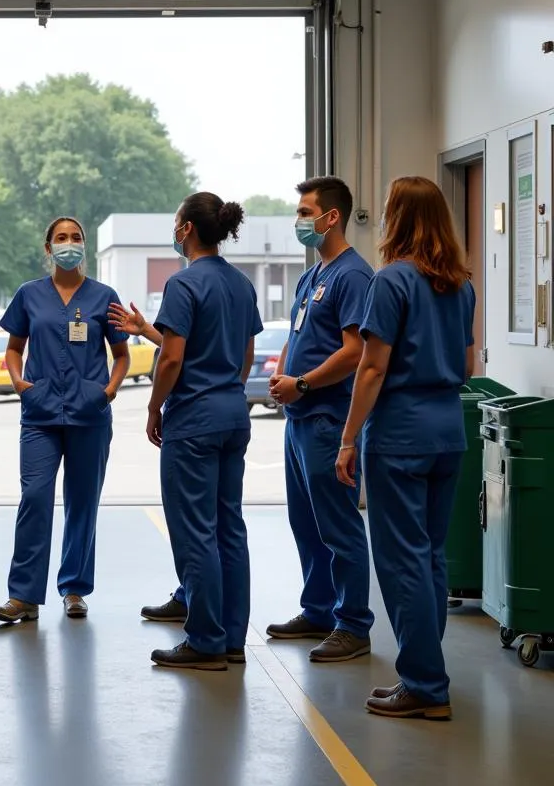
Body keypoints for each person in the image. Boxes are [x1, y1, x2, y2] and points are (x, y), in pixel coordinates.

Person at [338, 176, 475, 720]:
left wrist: (348, 438)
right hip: (448, 432)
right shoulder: (461, 285)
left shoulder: (391, 281)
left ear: (397, 217)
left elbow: (371, 368)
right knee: (431, 556)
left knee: (401, 563)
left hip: (399, 436)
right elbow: (466, 366)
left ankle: (423, 683)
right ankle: (426, 669)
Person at [125, 192, 261, 671]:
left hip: (194, 422)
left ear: (185, 230)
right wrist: (226, 391)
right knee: (230, 527)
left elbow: (174, 357)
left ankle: (204, 641)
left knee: (195, 531)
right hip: (232, 414)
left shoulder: (183, 286)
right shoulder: (242, 285)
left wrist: (154, 406)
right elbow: (244, 356)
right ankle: (232, 639)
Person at [0, 217, 130, 624]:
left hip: (90, 414)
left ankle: (74, 588)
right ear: (48, 248)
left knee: (82, 503)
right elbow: (14, 348)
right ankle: (23, 596)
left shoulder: (104, 296)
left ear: (84, 246)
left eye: (76, 238)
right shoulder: (28, 295)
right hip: (40, 413)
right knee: (34, 497)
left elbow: (121, 355)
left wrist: (108, 391)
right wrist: (20, 383)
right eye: (61, 238)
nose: (70, 244)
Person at [259, 177, 375, 661]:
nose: (300, 220)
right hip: (299, 417)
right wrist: (284, 374)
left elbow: (355, 351)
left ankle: (353, 625)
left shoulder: (353, 275)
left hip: (328, 416)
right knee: (305, 522)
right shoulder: (313, 275)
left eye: (306, 212)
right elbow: (296, 334)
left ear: (331, 217)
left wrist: (303, 383)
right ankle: (319, 608)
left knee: (339, 524)